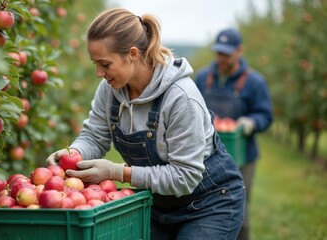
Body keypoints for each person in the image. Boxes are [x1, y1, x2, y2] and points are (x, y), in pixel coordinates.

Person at [46, 8, 245, 239]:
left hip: (209, 203)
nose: (99, 73)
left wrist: (117, 172)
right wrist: (73, 154)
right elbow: (94, 136)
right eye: (95, 64)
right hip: (156, 203)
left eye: (105, 64)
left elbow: (185, 176)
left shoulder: (180, 97)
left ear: (132, 54)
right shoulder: (110, 91)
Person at [194, 28, 273, 240]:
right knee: (206, 207)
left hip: (242, 156)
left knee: (239, 208)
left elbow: (266, 115)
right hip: (207, 156)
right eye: (219, 52)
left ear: (240, 51)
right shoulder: (203, 78)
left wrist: (251, 122)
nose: (221, 58)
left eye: (227, 54)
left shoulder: (254, 82)